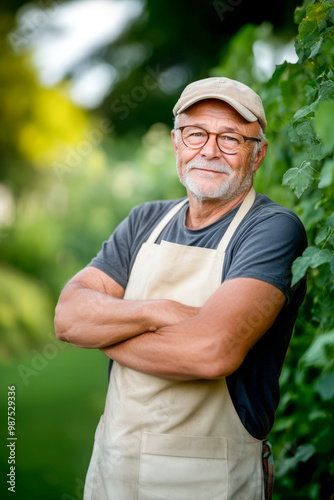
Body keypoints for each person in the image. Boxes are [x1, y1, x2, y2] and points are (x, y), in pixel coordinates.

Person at [54, 77, 307, 500]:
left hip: (209, 484)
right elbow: (68, 316)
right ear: (176, 143)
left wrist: (104, 333)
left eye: (230, 138)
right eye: (195, 134)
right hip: (113, 471)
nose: (209, 150)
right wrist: (158, 312)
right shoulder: (143, 221)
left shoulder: (271, 229)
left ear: (257, 153)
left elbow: (212, 352)